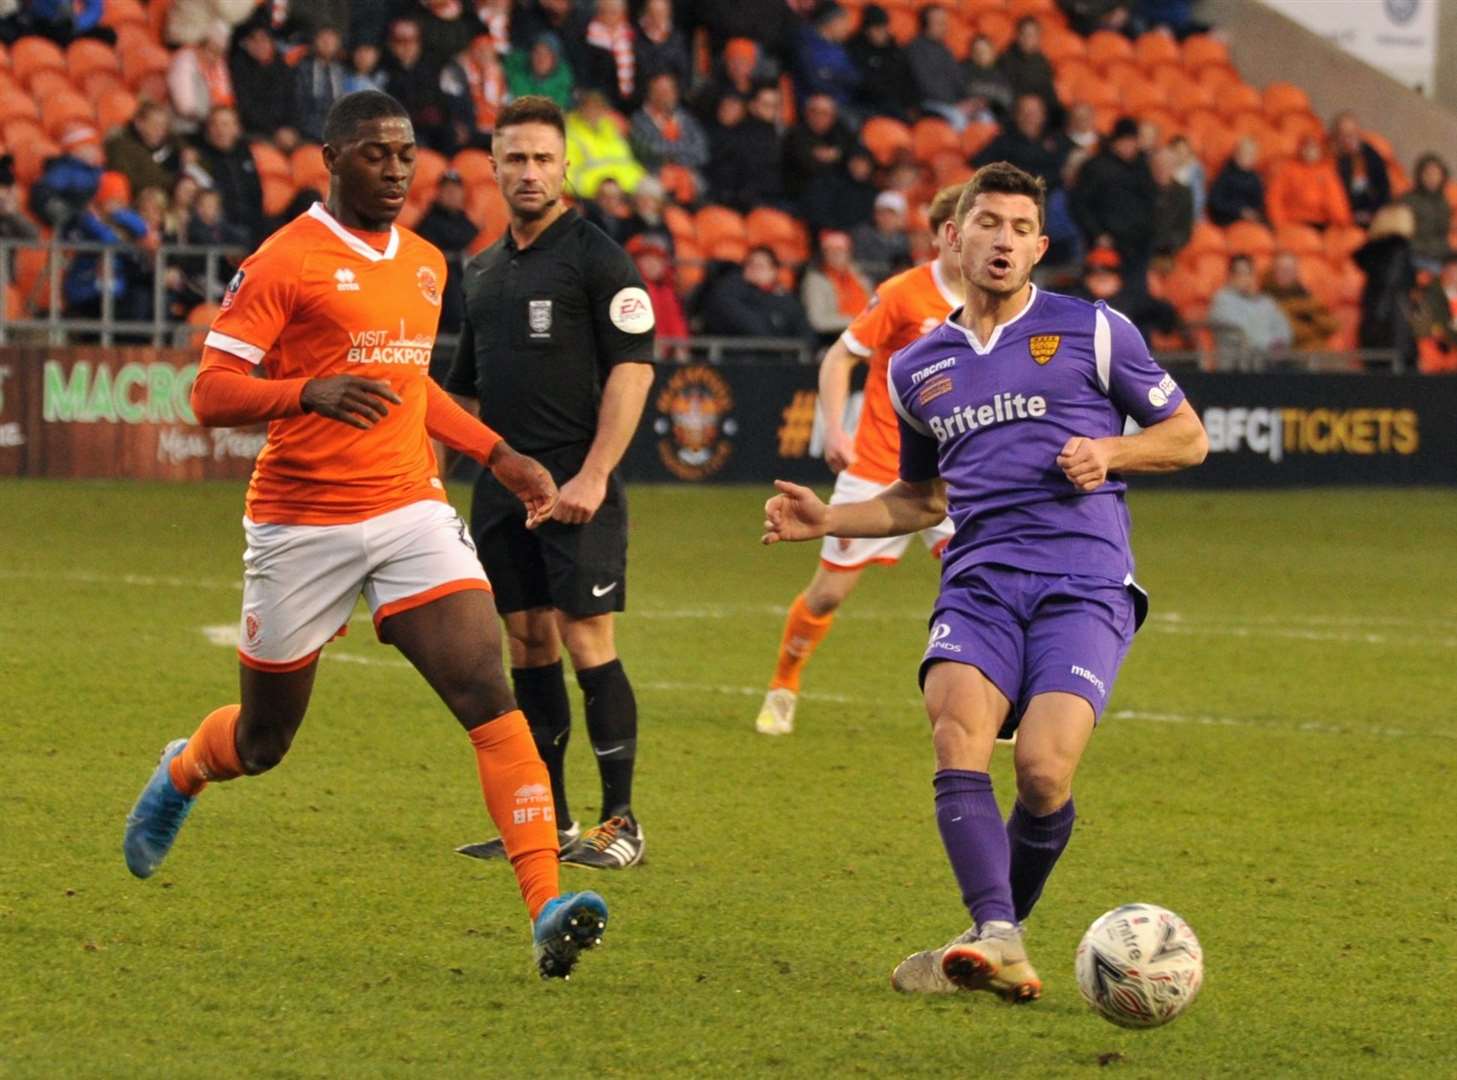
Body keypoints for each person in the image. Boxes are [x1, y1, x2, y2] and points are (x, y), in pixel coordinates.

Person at [120, 90, 610, 981]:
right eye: (376, 153)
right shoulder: (286, 261)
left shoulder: (426, 263)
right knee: (264, 743)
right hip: (298, 524)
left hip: (407, 509)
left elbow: (410, 387)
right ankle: (187, 769)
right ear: (331, 160)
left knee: (488, 697)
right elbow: (211, 391)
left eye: (406, 153)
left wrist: (500, 455)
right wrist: (305, 390)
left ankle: (546, 904)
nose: (395, 169)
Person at [759, 161, 1208, 999]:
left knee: (1042, 772)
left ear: (1039, 245)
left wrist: (1111, 451)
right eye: (986, 223)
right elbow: (918, 500)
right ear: (952, 236)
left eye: (1018, 228)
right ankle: (996, 933)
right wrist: (828, 519)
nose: (1001, 240)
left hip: (1084, 582)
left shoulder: (1095, 329)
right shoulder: (916, 368)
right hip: (977, 582)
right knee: (955, 736)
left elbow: (1187, 438)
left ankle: (991, 934)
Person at [446, 96, 657, 870]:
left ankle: (622, 823)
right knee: (526, 642)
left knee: (584, 639)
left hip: (578, 485)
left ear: (566, 166)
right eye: (515, 158)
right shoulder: (482, 271)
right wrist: (427, 479)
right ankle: (552, 821)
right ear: (493, 167)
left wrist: (595, 474)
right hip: (503, 491)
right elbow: (463, 392)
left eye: (542, 158)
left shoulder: (597, 257)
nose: (529, 172)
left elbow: (633, 370)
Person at [754, 183, 965, 736]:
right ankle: (784, 683)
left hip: (958, 475)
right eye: (974, 227)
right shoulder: (903, 293)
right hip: (878, 468)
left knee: (979, 580)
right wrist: (834, 430)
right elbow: (840, 355)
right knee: (827, 593)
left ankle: (992, 699)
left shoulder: (999, 300)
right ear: (948, 234)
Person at [699, 244, 814, 357]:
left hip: (779, 363)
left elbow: (806, 334)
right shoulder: (729, 291)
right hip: (739, 360)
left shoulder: (787, 300)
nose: (754, 269)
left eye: (760, 266)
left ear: (774, 271)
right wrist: (777, 346)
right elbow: (749, 325)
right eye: (750, 264)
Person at [1354, 202, 1418, 371]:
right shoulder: (1398, 249)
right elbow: (1391, 284)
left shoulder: (1374, 251)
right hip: (1393, 317)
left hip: (1375, 312)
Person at [1208, 253, 1293, 363]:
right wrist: (1268, 345)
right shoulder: (1222, 301)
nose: (1245, 278)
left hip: (1273, 360)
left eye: (1249, 273)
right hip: (1238, 366)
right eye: (1241, 273)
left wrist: (1279, 345)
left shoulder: (1266, 302)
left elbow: (1283, 328)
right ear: (1230, 276)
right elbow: (1241, 332)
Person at [800, 229, 872, 345]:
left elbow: (873, 309)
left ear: (848, 253)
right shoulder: (816, 281)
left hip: (865, 336)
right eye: (831, 251)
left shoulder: (859, 277)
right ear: (824, 254)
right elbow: (818, 321)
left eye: (840, 250)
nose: (836, 255)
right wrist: (855, 321)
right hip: (833, 340)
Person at [1266, 136, 1351, 231]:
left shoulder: (1327, 172)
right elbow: (1274, 198)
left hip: (1321, 224)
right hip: (1294, 223)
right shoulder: (1287, 170)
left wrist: (1343, 223)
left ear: (1319, 150)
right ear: (1301, 149)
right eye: (1307, 148)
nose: (1310, 152)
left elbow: (1336, 199)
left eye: (1314, 148)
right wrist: (1280, 225)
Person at [1263, 251, 1336, 351]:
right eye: (1281, 269)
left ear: (1296, 273)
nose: (1285, 274)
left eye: (1289, 270)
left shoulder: (1306, 296)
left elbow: (1331, 326)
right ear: (1273, 271)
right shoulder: (1265, 299)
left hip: (1314, 351)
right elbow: (1288, 332)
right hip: (1286, 354)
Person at [1330, 111, 1390, 230]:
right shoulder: (1329, 158)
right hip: (1342, 216)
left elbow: (1383, 187)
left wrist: (1373, 213)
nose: (1349, 139)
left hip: (1371, 213)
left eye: (1353, 133)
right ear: (1335, 136)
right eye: (1344, 134)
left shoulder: (1369, 154)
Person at [1401, 153, 1451, 272]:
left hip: (1441, 254)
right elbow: (1404, 237)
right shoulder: (1408, 201)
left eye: (1436, 174)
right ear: (1420, 176)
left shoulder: (1443, 202)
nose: (1432, 178)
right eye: (1428, 174)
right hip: (1417, 255)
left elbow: (1443, 235)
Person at [851, 189, 912, 283]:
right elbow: (856, 265)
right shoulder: (862, 236)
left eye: (891, 214)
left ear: (901, 217)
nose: (886, 218)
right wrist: (888, 268)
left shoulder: (906, 240)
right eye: (881, 213)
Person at [1206, 136, 1264, 226]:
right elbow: (1215, 202)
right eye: (1243, 153)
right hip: (1226, 219)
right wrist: (1239, 211)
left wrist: (1251, 213)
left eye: (1250, 154)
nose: (1246, 157)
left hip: (1248, 222)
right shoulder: (1226, 174)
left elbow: (1258, 204)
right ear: (1236, 154)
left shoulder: (1255, 179)